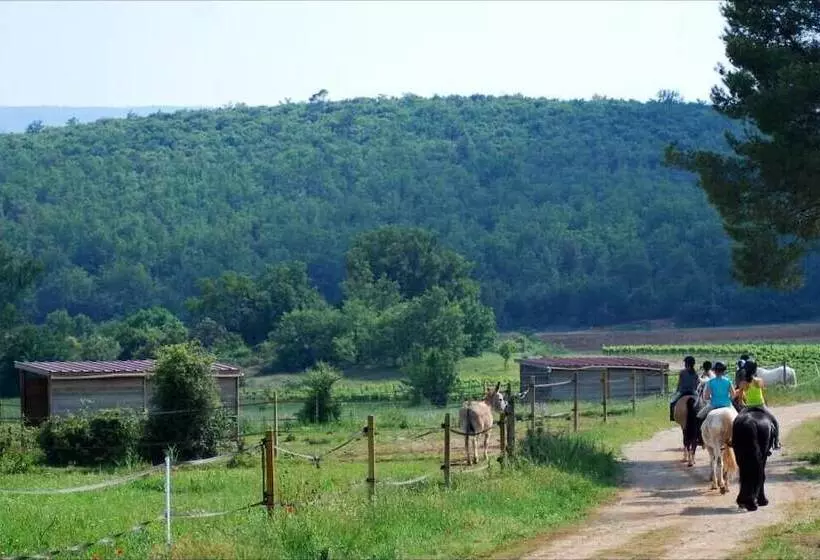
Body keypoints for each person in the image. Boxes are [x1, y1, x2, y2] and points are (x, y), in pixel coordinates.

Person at [737, 359, 781, 452]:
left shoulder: (742, 383)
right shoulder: (759, 381)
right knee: (775, 422)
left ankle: (734, 441)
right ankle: (776, 442)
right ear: (755, 370)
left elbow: (740, 401)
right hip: (761, 406)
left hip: (748, 407)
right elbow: (763, 395)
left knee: (736, 423)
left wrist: (745, 406)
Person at [670, 356, 700, 421]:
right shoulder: (696, 373)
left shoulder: (682, 372)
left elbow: (679, 383)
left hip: (683, 392)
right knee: (700, 403)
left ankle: (672, 417)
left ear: (687, 364)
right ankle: (700, 417)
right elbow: (696, 385)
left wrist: (677, 391)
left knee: (672, 402)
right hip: (693, 392)